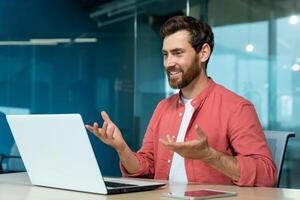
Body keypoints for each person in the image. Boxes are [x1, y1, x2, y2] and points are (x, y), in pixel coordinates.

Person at [86, 15, 276, 187]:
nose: (168, 63)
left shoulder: (236, 107)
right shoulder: (163, 107)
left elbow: (267, 175)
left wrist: (210, 156)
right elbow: (146, 169)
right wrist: (122, 148)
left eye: (177, 53)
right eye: (165, 54)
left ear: (203, 53)